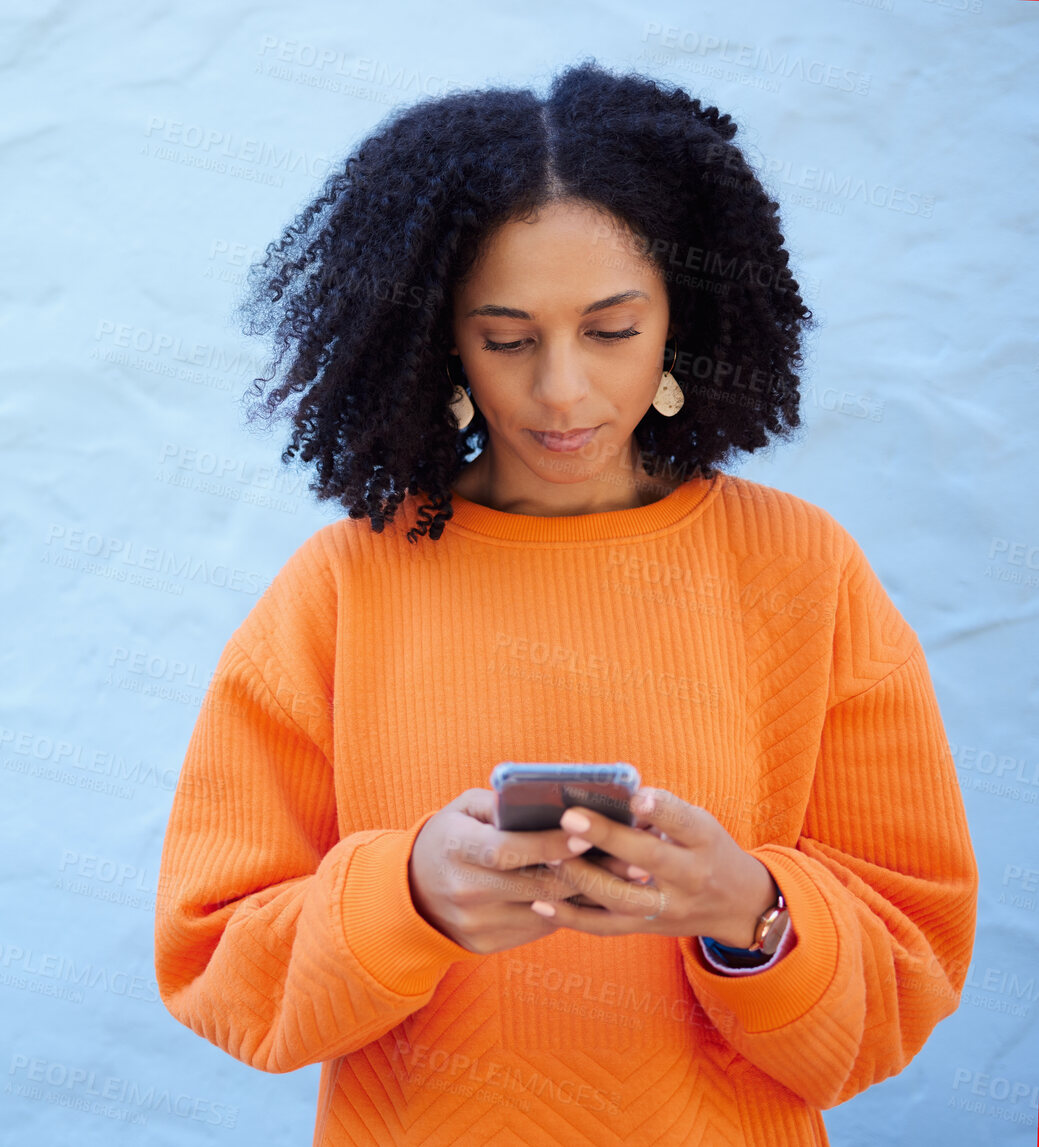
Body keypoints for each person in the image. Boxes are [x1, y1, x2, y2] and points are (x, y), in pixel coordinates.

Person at [152, 59, 978, 1147]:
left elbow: (909, 973)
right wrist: (406, 897)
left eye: (610, 330)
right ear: (442, 336)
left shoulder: (802, 571)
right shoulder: (343, 586)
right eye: (507, 338)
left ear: (684, 317)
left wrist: (750, 914)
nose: (561, 392)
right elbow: (212, 958)